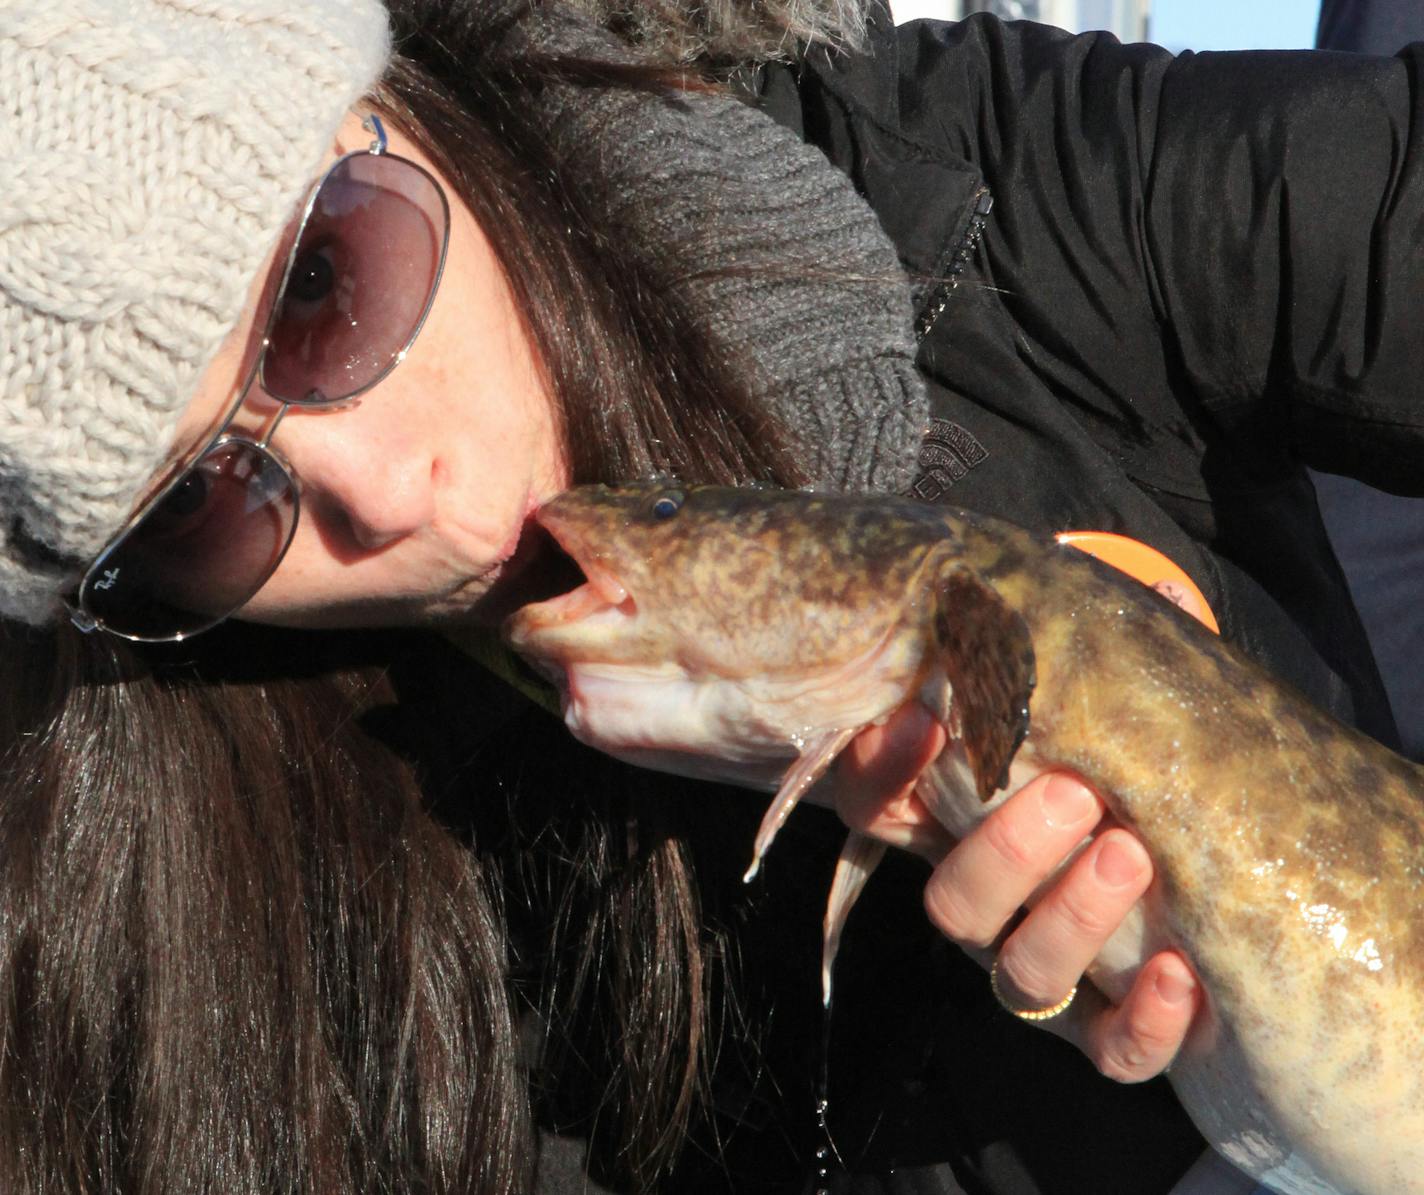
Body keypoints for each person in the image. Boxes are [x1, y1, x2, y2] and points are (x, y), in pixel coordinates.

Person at [1, 1, 1418, 1192]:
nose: (383, 491)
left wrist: (1144, 659)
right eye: (186, 511)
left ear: (398, 100)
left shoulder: (986, 180)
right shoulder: (208, 955)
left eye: (325, 281)